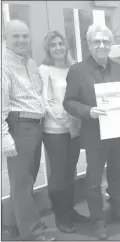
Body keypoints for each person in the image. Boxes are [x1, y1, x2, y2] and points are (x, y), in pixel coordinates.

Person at [63, 24, 120, 240]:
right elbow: (68, 102)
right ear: (89, 44)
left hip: (119, 130)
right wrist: (88, 111)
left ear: (110, 43)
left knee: (117, 174)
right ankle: (97, 221)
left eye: (106, 41)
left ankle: (119, 210)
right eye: (97, 41)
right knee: (93, 180)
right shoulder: (77, 71)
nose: (102, 45)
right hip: (94, 133)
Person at [1, 20, 56, 241]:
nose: (21, 40)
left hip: (34, 125)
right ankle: (33, 234)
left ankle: (12, 226)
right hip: (19, 126)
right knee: (22, 182)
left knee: (25, 180)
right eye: (16, 36)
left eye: (24, 36)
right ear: (5, 38)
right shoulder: (3, 65)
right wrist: (4, 137)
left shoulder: (27, 61)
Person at [38, 31, 88, 233]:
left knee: (71, 171)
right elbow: (46, 100)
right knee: (59, 173)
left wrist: (76, 121)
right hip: (55, 129)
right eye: (53, 45)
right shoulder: (44, 70)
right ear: (48, 49)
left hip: (75, 127)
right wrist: (66, 120)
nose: (58, 47)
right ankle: (61, 216)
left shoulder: (73, 68)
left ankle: (70, 210)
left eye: (61, 43)